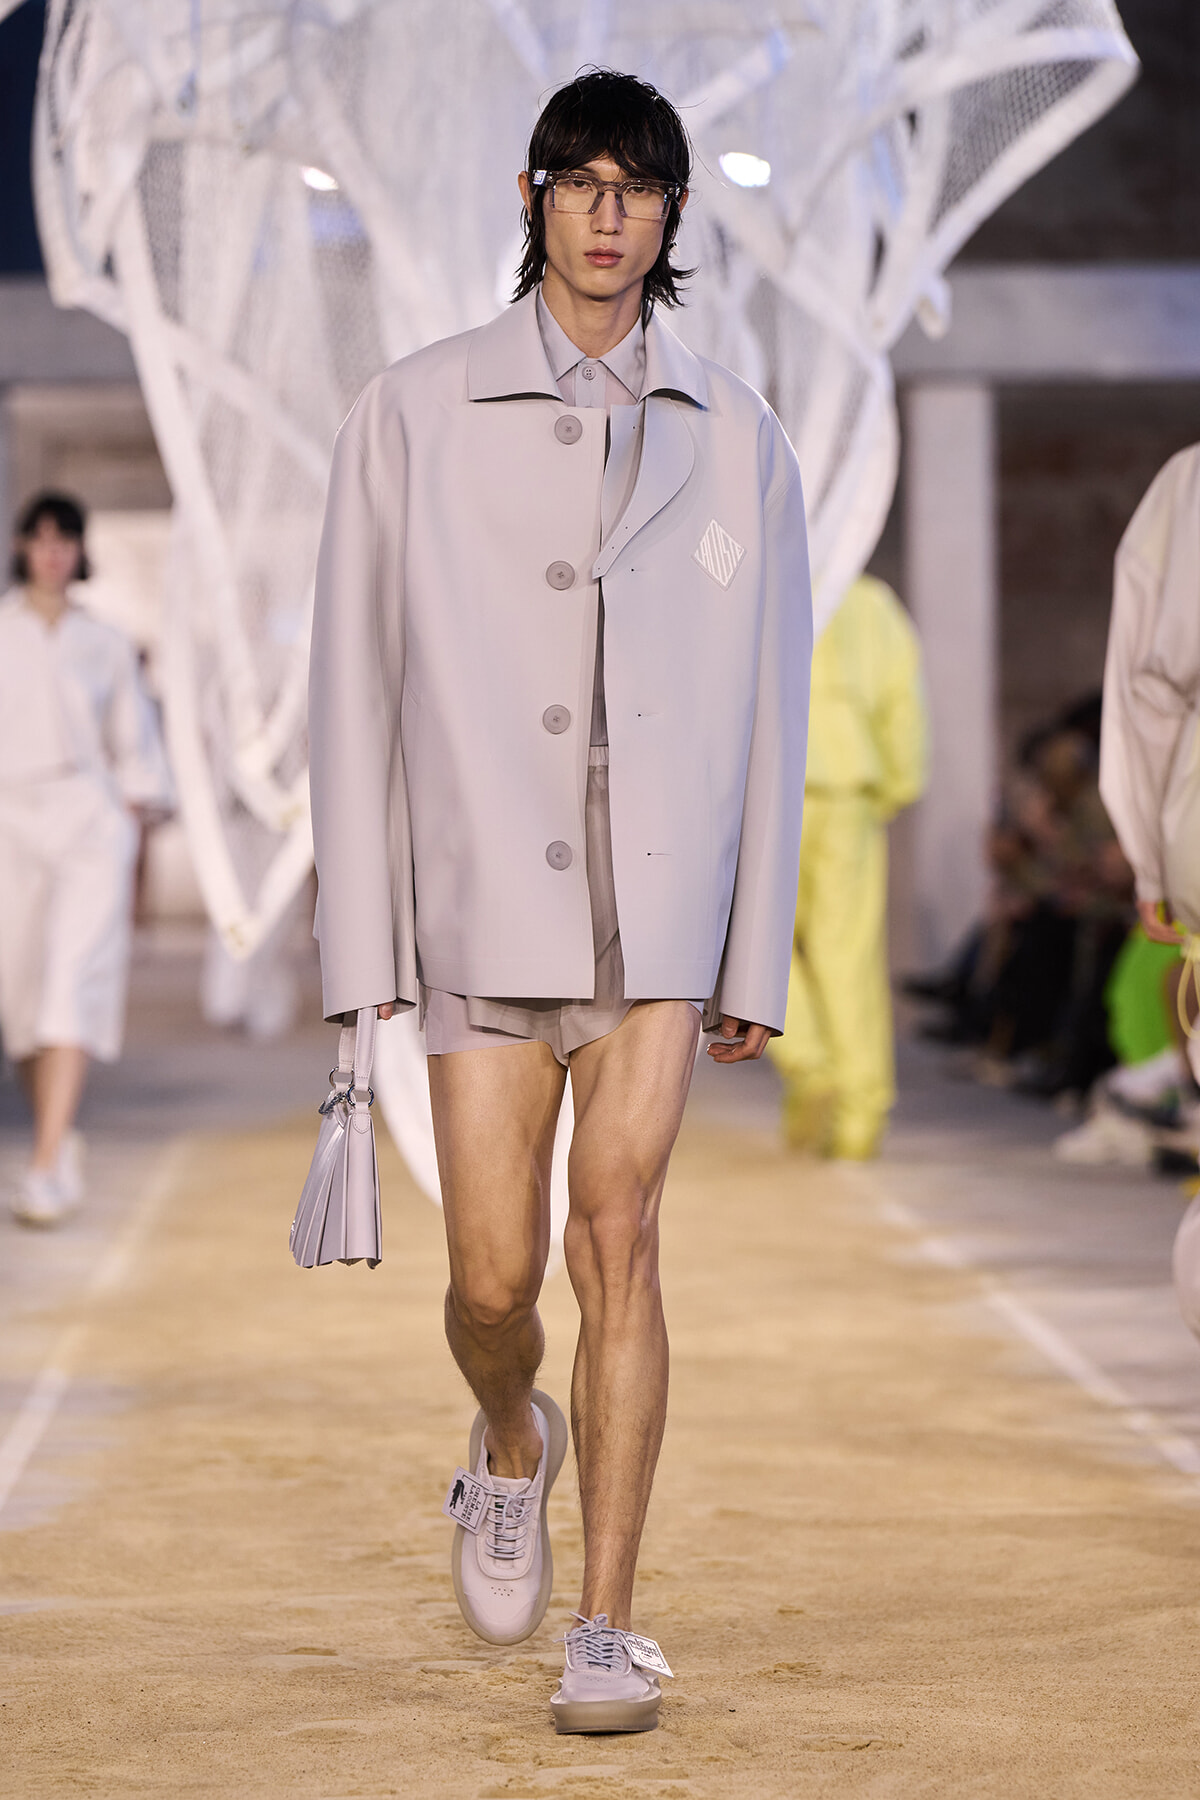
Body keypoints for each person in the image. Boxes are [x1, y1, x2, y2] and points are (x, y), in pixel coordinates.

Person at [308, 71, 812, 1734]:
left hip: (654, 913)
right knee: (492, 1283)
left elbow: (772, 708)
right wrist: (359, 938)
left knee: (623, 1239)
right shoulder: (413, 409)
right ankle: (510, 1444)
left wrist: (755, 947)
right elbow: (352, 686)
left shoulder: (740, 434)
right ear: (534, 200)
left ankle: (606, 1625)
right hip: (477, 899)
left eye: (637, 186)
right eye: (579, 181)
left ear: (671, 216)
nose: (607, 212)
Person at [0, 491, 172, 1226]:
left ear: (78, 549)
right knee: (22, 994)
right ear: (22, 546)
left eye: (64, 537)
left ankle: (45, 1160)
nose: (51, 550)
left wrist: (128, 812)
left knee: (70, 982)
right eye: (39, 537)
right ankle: (56, 1140)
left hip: (84, 821)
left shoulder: (103, 641)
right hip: (10, 822)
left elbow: (136, 748)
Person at [768, 574, 926, 1159]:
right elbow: (902, 699)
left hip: (767, 785)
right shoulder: (870, 602)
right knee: (847, 952)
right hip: (848, 786)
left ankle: (809, 1064)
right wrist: (897, 785)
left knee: (753, 943)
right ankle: (860, 1110)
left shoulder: (762, 581)